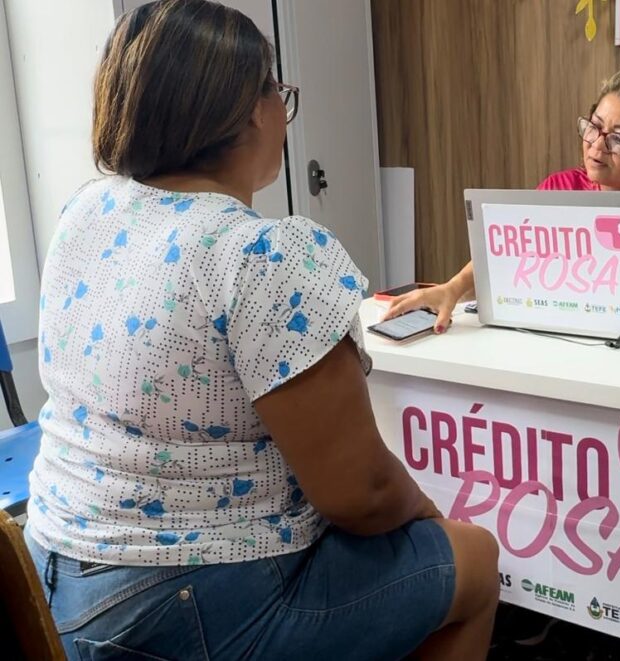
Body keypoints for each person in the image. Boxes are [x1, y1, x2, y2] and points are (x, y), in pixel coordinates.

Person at [25, 2, 497, 659]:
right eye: (281, 92)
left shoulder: (87, 210)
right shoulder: (263, 256)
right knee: (471, 556)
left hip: (46, 576)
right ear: (255, 110)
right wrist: (429, 514)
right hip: (174, 607)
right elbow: (359, 494)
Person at [386, 64, 620, 331]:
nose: (596, 146)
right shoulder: (561, 188)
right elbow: (505, 257)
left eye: (619, 139)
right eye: (593, 126)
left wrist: (610, 289)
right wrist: (454, 288)